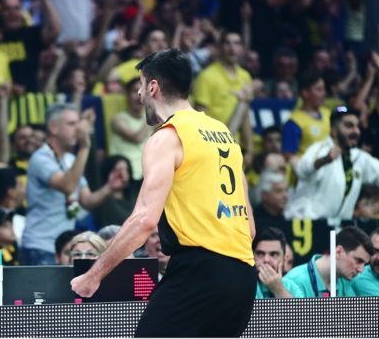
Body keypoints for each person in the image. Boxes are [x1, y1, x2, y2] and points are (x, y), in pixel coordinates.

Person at [71, 49, 256, 337]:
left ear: (153, 87)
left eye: (141, 85)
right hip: (243, 278)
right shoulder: (224, 136)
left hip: (198, 272)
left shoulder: (168, 136)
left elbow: (145, 219)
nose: (138, 93)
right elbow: (250, 228)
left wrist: (93, 276)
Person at [284, 106, 379, 226]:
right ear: (334, 130)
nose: (356, 131)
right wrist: (324, 160)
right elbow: (303, 170)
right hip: (305, 225)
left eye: (357, 126)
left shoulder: (359, 157)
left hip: (336, 227)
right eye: (349, 126)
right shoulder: (320, 149)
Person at [21, 103, 125, 265]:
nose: (78, 129)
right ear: (53, 128)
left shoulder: (70, 160)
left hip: (63, 246)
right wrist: (84, 147)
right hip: (39, 246)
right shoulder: (40, 158)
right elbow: (67, 186)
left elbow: (87, 201)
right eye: (71, 124)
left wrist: (109, 187)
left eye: (78, 123)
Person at [284, 226, 373, 298]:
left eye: (364, 263)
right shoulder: (294, 281)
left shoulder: (346, 280)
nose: (361, 270)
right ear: (338, 252)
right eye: (358, 261)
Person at [252, 227, 296, 299]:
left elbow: (299, 307)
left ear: (284, 259)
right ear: (252, 257)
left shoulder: (291, 285)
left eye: (274, 254)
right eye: (260, 254)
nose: (266, 260)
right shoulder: (243, 285)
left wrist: (278, 289)